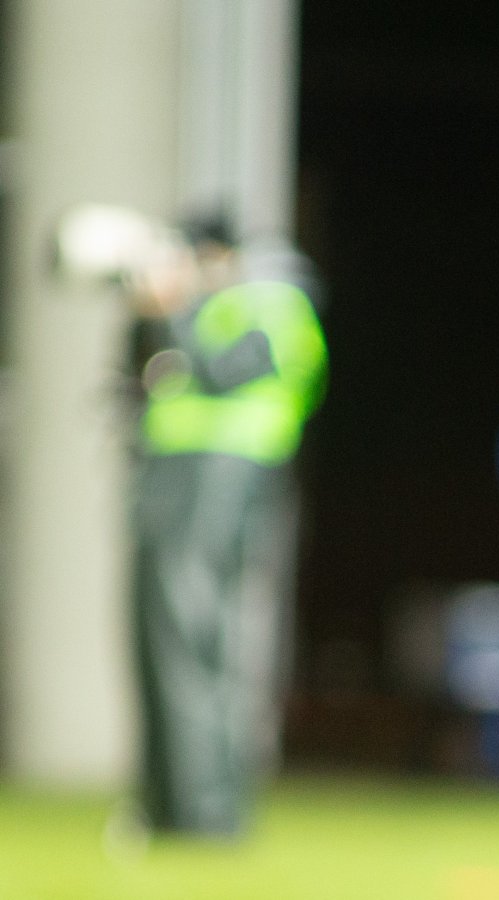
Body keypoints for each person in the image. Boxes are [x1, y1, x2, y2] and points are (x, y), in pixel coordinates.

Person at [124, 213, 328, 836]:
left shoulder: (268, 296)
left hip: (215, 477)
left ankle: (204, 812)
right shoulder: (229, 300)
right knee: (173, 639)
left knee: (190, 635)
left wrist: (176, 306)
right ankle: (173, 805)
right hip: (195, 476)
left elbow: (224, 372)